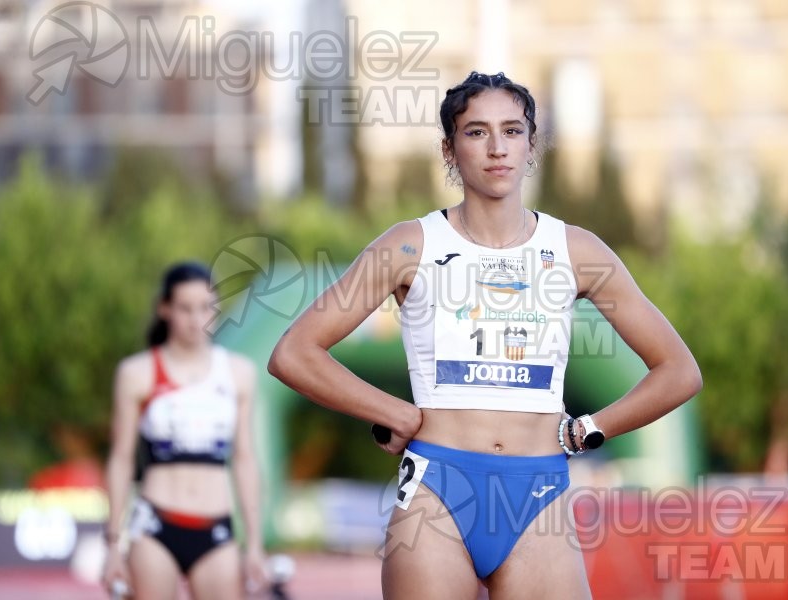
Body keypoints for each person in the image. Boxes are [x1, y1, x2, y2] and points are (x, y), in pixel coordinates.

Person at [267, 71, 702, 599]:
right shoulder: (408, 245)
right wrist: (397, 413)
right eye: (476, 133)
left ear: (531, 145)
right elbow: (294, 353)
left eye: (512, 131)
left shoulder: (577, 250)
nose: (497, 148)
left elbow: (679, 371)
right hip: (437, 491)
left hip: (537, 492)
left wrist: (584, 430)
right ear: (449, 150)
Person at [102, 262, 269, 599]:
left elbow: (245, 459)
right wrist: (113, 545)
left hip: (215, 528)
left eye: (206, 308)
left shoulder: (238, 374)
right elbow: (120, 459)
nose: (197, 319)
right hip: (154, 526)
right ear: (165, 309)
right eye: (185, 308)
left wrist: (254, 544)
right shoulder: (137, 372)